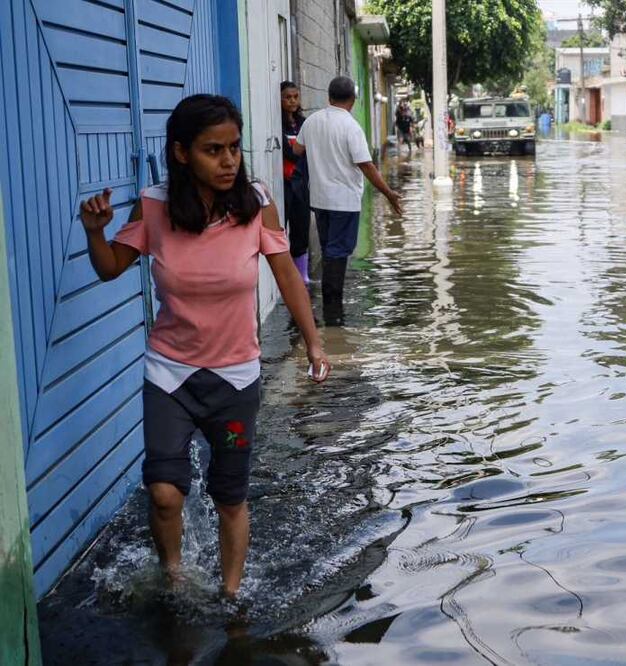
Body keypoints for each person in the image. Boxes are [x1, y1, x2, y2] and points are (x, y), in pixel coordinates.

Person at [78, 95, 330, 598]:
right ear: (181, 153)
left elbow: (287, 278)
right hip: (170, 374)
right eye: (213, 150)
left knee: (230, 498)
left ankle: (230, 597)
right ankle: (175, 579)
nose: (229, 160)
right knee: (165, 493)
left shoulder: (257, 204)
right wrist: (94, 233)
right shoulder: (154, 206)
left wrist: (314, 343)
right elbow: (109, 267)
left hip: (235, 379)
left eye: (234, 148)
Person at [294, 76, 403, 326]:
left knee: (330, 251)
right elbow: (366, 166)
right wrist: (388, 193)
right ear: (353, 100)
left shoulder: (312, 121)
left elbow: (298, 150)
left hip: (319, 199)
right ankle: (333, 312)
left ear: (329, 97)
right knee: (337, 254)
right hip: (343, 202)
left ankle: (331, 310)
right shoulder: (351, 127)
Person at [281, 81, 312, 285]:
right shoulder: (277, 123)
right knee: (281, 231)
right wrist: (300, 149)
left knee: (301, 228)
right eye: (288, 97)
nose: (292, 101)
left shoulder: (303, 123)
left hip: (301, 183)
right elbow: (290, 153)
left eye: (295, 97)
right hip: (284, 183)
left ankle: (302, 276)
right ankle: (284, 277)